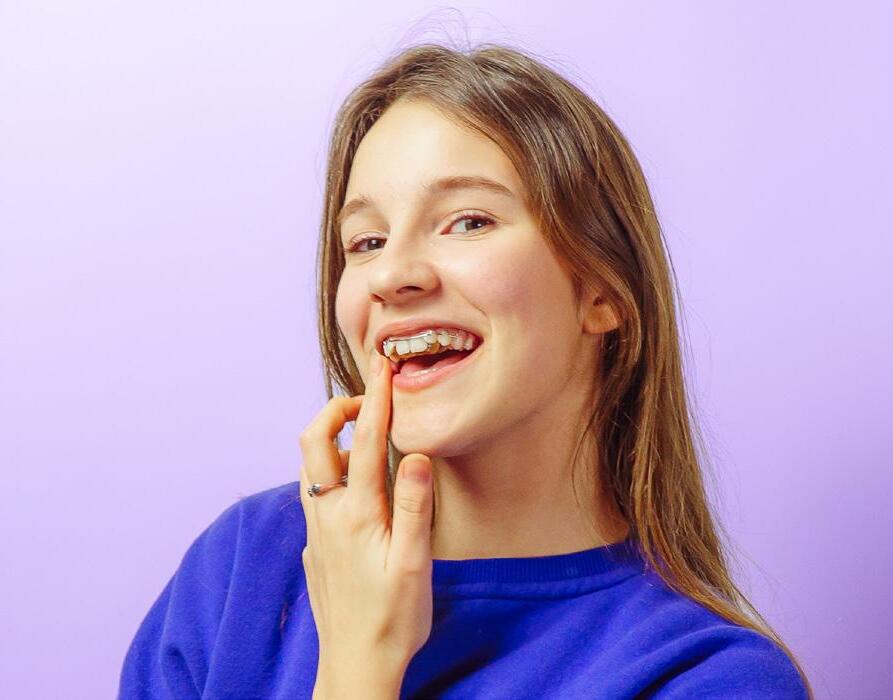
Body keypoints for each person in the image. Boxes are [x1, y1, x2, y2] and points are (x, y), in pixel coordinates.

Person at [119, 42, 812, 699]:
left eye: (468, 221)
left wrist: (362, 664)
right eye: (366, 240)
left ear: (602, 289)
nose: (391, 273)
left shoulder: (706, 676)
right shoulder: (245, 567)